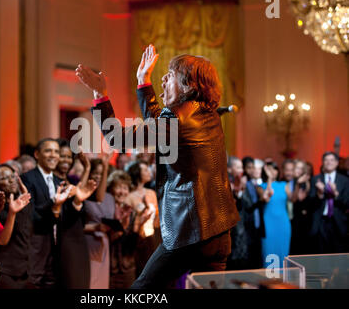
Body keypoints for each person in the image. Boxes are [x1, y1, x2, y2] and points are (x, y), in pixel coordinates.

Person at [76, 44, 239, 288]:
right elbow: (159, 121)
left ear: (189, 85)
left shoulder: (174, 119)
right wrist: (143, 82)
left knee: (141, 291)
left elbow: (118, 139)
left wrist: (101, 95)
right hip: (219, 233)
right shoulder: (209, 114)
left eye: (171, 74)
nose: (163, 78)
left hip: (190, 232)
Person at [21, 138, 96, 289]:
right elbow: (30, 215)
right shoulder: (27, 179)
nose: (53, 155)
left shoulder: (58, 181)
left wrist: (77, 202)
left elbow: (68, 219)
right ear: (37, 154)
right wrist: (54, 204)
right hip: (37, 247)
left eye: (56, 151)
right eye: (48, 151)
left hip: (59, 249)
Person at [0, 164, 32, 288]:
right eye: (4, 178)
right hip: (5, 270)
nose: (11, 180)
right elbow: (2, 241)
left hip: (25, 269)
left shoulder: (19, 204)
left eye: (12, 176)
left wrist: (25, 196)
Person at [107, 170, 152, 289]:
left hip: (129, 268)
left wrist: (140, 225)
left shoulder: (132, 213)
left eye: (125, 188)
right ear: (111, 189)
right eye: (118, 187)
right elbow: (109, 239)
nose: (122, 192)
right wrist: (122, 225)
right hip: (110, 268)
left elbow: (134, 243)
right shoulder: (107, 211)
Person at [83, 154, 115, 289]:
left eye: (101, 174)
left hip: (105, 244)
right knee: (91, 282)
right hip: (88, 243)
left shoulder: (109, 197)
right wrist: (94, 228)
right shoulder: (84, 195)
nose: (98, 176)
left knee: (102, 283)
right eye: (95, 173)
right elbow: (74, 226)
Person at [309, 151, 349, 254]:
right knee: (321, 253)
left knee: (339, 253)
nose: (329, 162)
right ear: (323, 162)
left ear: (336, 163)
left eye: (332, 160)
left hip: (338, 222)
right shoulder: (315, 179)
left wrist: (335, 193)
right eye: (326, 160)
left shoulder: (344, 180)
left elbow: (346, 203)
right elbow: (310, 203)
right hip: (321, 221)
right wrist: (320, 194)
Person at [126, 160, 160, 277]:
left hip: (152, 238)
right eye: (145, 170)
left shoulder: (151, 193)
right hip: (137, 240)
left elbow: (157, 220)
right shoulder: (129, 196)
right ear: (138, 173)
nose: (149, 172)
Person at [257, 162, 291, 268]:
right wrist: (269, 180)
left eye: (274, 169)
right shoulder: (260, 186)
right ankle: (270, 279)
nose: (272, 172)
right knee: (268, 251)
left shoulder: (284, 185)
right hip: (268, 223)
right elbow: (266, 198)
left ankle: (283, 280)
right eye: (269, 170)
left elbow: (293, 199)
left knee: (282, 251)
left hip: (283, 222)